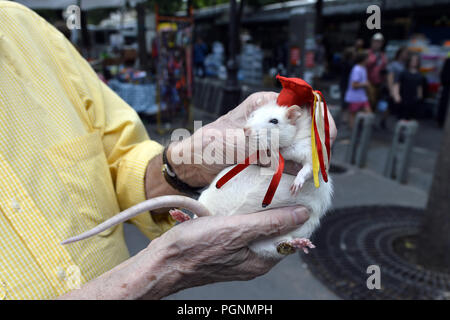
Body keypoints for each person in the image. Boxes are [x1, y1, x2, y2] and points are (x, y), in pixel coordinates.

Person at [0, 3, 337, 300]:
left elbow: (119, 160)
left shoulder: (26, 29)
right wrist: (158, 271)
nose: (250, 129)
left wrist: (187, 164)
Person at [393, 53, 424, 120]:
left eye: (416, 61)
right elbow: (397, 84)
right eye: (412, 60)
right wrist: (396, 95)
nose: (414, 62)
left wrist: (419, 98)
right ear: (409, 61)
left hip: (413, 99)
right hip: (403, 98)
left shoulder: (420, 75)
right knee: (401, 118)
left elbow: (419, 87)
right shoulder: (403, 72)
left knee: (411, 119)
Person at [344, 51, 372, 128]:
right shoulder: (357, 69)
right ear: (363, 59)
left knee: (367, 114)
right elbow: (354, 85)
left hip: (362, 96)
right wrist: (365, 84)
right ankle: (353, 132)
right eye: (367, 58)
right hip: (355, 97)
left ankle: (360, 130)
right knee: (353, 114)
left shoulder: (363, 68)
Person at [366, 33, 387, 110]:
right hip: (369, 82)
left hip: (379, 82)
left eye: (380, 42)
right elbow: (367, 64)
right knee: (370, 101)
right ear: (372, 42)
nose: (377, 44)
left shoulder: (382, 54)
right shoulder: (367, 53)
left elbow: (384, 66)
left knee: (376, 102)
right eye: (376, 42)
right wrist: (375, 58)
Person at [386, 46, 409, 118]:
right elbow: (390, 77)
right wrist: (391, 90)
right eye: (405, 53)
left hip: (403, 89)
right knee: (390, 106)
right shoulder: (394, 64)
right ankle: (384, 120)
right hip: (395, 88)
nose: (406, 55)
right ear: (400, 54)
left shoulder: (406, 65)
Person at [437, 53, 450, 127]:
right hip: (447, 88)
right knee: (444, 105)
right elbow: (443, 76)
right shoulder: (448, 61)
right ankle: (441, 121)